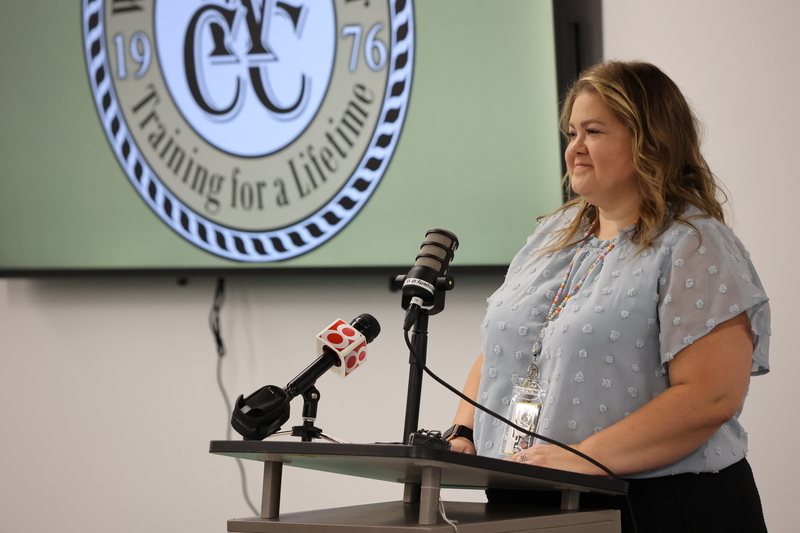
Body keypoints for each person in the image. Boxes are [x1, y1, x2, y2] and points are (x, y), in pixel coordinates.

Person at [443, 61, 770, 532]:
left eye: (593, 131)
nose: (574, 147)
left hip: (659, 506)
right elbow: (507, 347)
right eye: (571, 133)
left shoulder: (694, 244)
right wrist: (463, 431)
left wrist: (582, 457)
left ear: (650, 140)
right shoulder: (553, 234)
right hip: (528, 496)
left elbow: (711, 396)